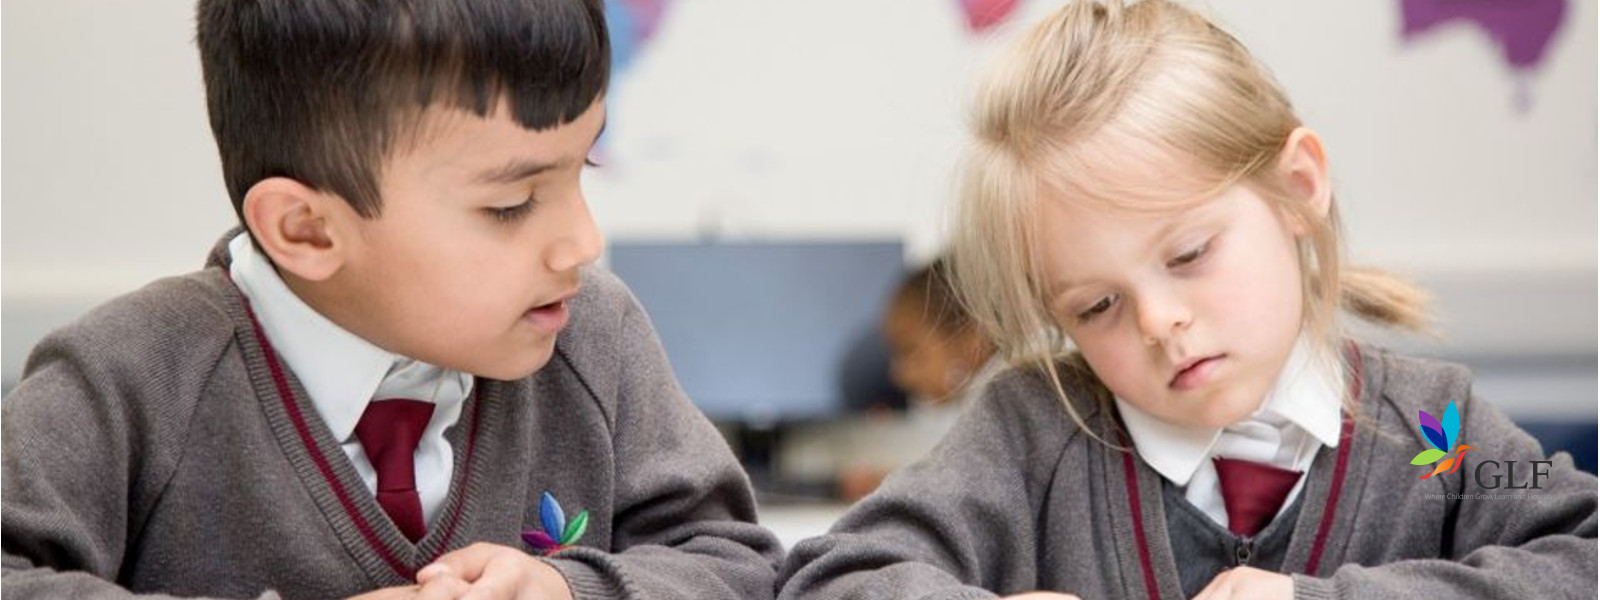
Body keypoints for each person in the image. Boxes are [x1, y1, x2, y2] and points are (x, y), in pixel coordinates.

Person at [778, 1, 1596, 599]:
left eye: (1189, 254)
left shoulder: (1434, 428)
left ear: (1297, 189)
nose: (1158, 321)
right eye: (1096, 307)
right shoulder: (1031, 435)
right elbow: (831, 580)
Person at [1, 1, 782, 599]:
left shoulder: (594, 337)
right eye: (510, 205)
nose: (581, 241)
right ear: (307, 229)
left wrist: (569, 589)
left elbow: (736, 566)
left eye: (586, 168)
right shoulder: (128, 377)